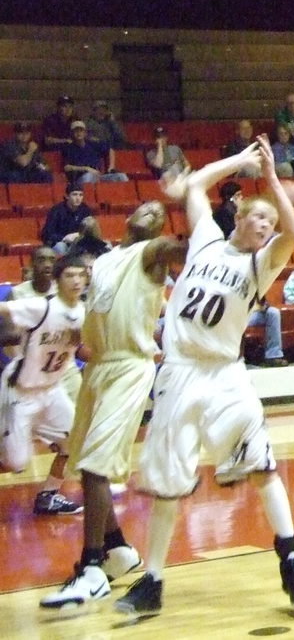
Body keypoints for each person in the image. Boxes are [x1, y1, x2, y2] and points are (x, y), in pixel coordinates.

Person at [114, 137, 294, 616]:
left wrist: (269, 178)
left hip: (225, 376)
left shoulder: (261, 263)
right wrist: (241, 161)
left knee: (262, 465)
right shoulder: (206, 238)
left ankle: (292, 559)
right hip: (180, 372)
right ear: (241, 214)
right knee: (167, 483)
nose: (266, 227)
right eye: (259, 217)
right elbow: (196, 186)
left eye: (270, 223)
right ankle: (153, 580)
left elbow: (292, 230)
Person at [40, 203, 186, 609]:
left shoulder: (151, 253)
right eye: (147, 206)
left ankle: (91, 568)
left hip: (128, 367)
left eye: (160, 211)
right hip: (98, 366)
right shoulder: (104, 260)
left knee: (96, 466)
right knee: (85, 463)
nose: (152, 210)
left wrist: (191, 208)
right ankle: (118, 549)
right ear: (128, 216)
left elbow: (177, 251)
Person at [0, 256, 89, 516]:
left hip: (52, 390)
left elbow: (84, 352)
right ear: (57, 281)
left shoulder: (84, 313)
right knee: (15, 462)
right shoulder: (42, 307)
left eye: (80, 275)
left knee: (74, 444)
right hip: (20, 391)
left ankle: (48, 497)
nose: (75, 281)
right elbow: (4, 310)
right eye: (69, 275)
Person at [42, 184, 94, 254]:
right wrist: (64, 238)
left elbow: (90, 229)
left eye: (80, 195)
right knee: (61, 247)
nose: (78, 198)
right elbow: (47, 234)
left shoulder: (85, 209)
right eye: (74, 195)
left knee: (106, 245)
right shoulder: (57, 210)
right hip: (61, 241)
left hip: (79, 241)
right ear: (67, 196)